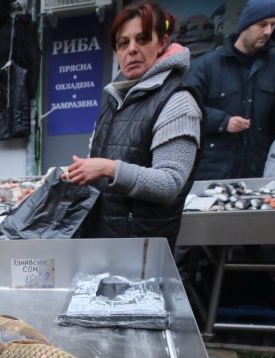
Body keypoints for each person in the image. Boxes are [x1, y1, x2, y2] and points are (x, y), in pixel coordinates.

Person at [66, 2, 201, 249]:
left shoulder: (178, 102)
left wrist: (109, 168)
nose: (132, 50)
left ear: (161, 43)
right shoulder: (114, 99)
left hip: (143, 247)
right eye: (123, 43)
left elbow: (169, 183)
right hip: (106, 238)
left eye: (142, 39)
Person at [186, 0, 275, 181]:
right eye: (262, 24)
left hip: (258, 167)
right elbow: (187, 110)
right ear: (245, 25)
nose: (268, 31)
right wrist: (223, 122)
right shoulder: (206, 66)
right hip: (211, 169)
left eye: (273, 25)